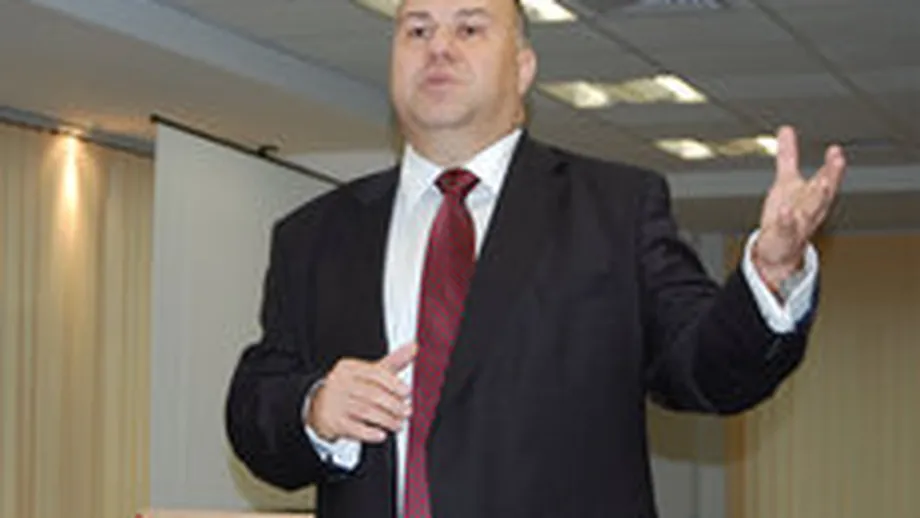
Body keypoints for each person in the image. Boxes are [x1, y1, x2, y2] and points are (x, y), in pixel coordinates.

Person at [225, 0, 846, 516]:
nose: (438, 48)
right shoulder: (314, 235)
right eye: (417, 30)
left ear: (522, 68)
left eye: (470, 28)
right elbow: (256, 409)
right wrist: (313, 408)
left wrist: (770, 274)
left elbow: (703, 368)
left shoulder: (616, 210)